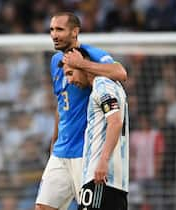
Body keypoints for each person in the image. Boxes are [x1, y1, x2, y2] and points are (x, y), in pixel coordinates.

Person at [35, 12, 127, 210]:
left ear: (75, 32)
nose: (54, 35)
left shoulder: (91, 54)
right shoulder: (55, 62)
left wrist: (81, 64)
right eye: (51, 30)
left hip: (84, 153)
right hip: (61, 151)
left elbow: (121, 73)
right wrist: (54, 141)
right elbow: (61, 103)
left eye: (60, 29)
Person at [63, 48, 129, 210]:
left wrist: (103, 162)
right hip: (114, 183)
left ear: (83, 66)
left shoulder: (102, 86)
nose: (69, 81)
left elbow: (115, 122)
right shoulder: (112, 85)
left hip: (100, 180)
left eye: (70, 73)